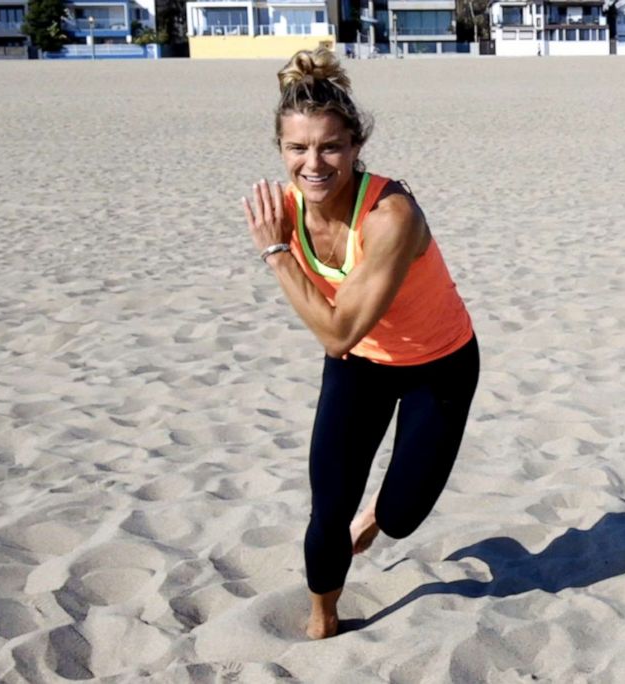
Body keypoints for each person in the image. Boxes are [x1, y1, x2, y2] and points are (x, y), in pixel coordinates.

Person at [241, 47, 480, 640]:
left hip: (439, 363)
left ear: (354, 146)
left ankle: (379, 516)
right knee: (328, 508)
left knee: (401, 516)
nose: (313, 163)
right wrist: (283, 244)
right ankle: (324, 614)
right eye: (297, 148)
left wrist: (275, 254)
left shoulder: (390, 217)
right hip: (362, 366)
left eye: (330, 147)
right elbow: (346, 341)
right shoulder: (289, 208)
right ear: (281, 151)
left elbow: (336, 329)